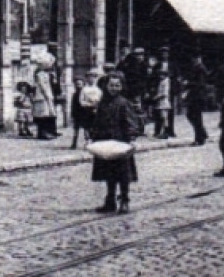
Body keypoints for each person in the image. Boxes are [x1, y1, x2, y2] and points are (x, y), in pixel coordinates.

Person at [88, 72, 140, 213]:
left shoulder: (124, 103)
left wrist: (132, 138)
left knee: (123, 174)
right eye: (111, 85)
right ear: (106, 86)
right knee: (108, 172)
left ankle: (124, 200)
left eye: (117, 85)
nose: (114, 88)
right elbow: (97, 121)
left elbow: (131, 122)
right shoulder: (103, 103)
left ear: (122, 87)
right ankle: (110, 200)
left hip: (120, 142)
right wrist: (92, 136)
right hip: (104, 141)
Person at [183, 56, 210, 146]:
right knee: (192, 116)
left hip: (198, 96)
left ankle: (199, 138)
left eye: (195, 58)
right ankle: (202, 134)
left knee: (195, 117)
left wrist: (188, 83)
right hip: (194, 96)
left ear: (198, 58)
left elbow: (201, 84)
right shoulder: (195, 68)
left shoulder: (200, 69)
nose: (193, 60)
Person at [69, 76, 97, 150]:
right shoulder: (74, 94)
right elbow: (73, 105)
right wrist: (72, 114)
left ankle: (87, 142)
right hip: (77, 114)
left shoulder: (86, 93)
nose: (78, 86)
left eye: (79, 84)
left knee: (86, 129)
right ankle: (74, 143)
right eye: (76, 84)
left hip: (85, 113)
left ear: (83, 84)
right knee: (76, 129)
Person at [151, 65, 174, 139]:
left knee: (164, 118)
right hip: (161, 102)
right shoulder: (162, 81)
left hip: (164, 102)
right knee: (162, 117)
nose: (160, 76)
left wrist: (156, 97)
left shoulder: (166, 82)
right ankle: (163, 131)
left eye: (162, 74)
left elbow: (164, 93)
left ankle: (166, 132)